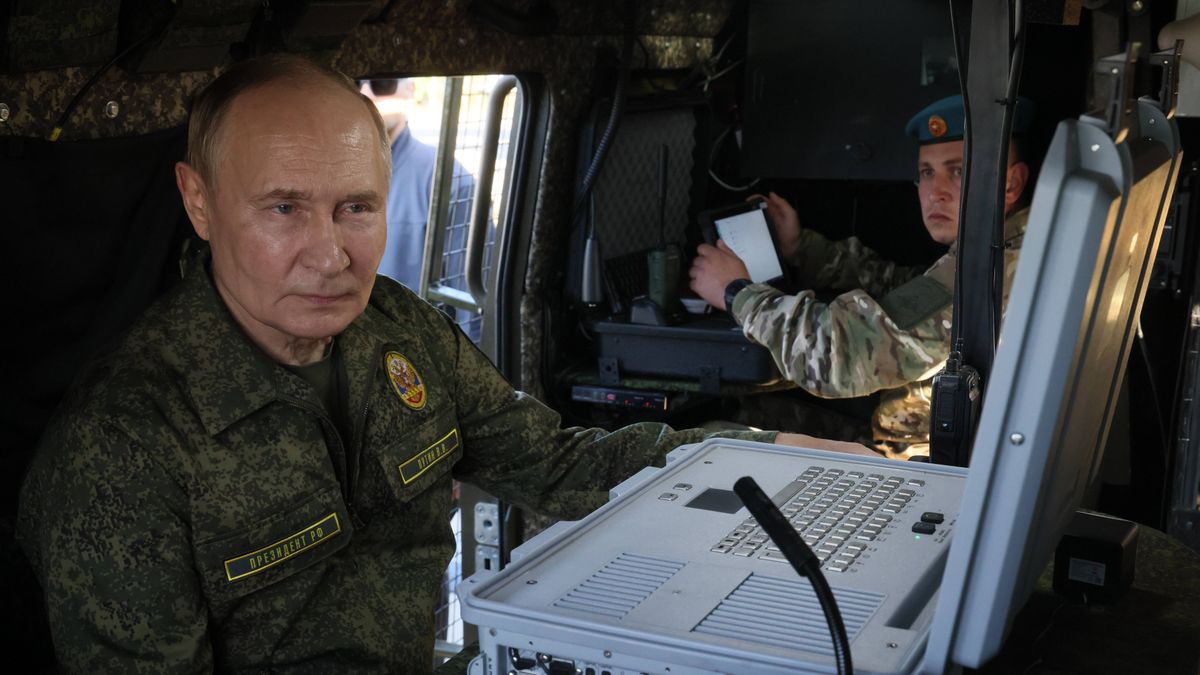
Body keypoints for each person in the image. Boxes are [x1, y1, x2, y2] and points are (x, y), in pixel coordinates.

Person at [17, 54, 870, 674]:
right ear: (198, 203)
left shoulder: (398, 332)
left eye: (357, 208)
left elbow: (559, 463)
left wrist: (758, 454)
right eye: (283, 209)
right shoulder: (125, 444)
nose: (331, 254)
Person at [689, 95, 1034, 456]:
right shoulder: (1007, 250)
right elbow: (911, 289)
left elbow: (836, 357)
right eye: (927, 173)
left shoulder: (985, 274)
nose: (936, 193)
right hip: (923, 438)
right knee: (753, 412)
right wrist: (802, 248)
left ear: (1011, 183)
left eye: (958, 171)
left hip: (917, 462)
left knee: (709, 438)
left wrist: (736, 293)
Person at [362, 77, 487, 341]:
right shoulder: (315, 179)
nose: (367, 92)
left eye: (383, 82)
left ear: (411, 89)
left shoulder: (450, 183)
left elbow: (475, 316)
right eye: (356, 83)